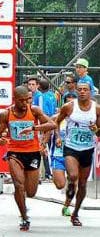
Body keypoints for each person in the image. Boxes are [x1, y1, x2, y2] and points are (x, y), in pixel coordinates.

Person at [0, 86, 55, 231]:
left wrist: (34, 129)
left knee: (31, 192)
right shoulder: (5, 114)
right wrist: (0, 140)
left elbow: (52, 124)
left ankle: (23, 206)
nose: (24, 104)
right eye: (21, 101)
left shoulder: (34, 110)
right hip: (14, 152)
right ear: (14, 100)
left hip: (32, 152)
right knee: (19, 185)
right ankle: (24, 217)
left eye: (27, 100)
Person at [53, 81, 99, 226]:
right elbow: (56, 122)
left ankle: (75, 212)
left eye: (85, 89)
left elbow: (99, 130)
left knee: (83, 184)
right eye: (79, 89)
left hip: (87, 148)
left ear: (90, 92)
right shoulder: (69, 107)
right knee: (73, 176)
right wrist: (58, 137)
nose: (82, 92)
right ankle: (69, 197)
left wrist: (95, 129)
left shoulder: (96, 109)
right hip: (71, 147)